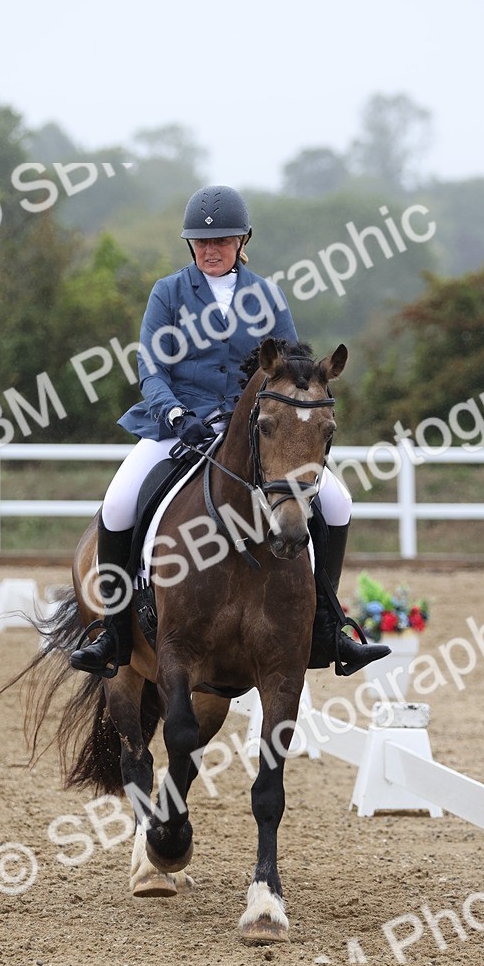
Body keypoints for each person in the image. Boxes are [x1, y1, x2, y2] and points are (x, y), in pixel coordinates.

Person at [70, 184, 391, 678]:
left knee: (337, 501)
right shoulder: (169, 292)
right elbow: (151, 368)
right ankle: (112, 633)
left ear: (242, 241)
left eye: (221, 240)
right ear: (189, 245)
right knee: (118, 503)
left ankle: (327, 626)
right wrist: (176, 416)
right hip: (178, 425)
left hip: (257, 430)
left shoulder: (267, 295)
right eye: (201, 242)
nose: (210, 249)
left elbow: (295, 367)